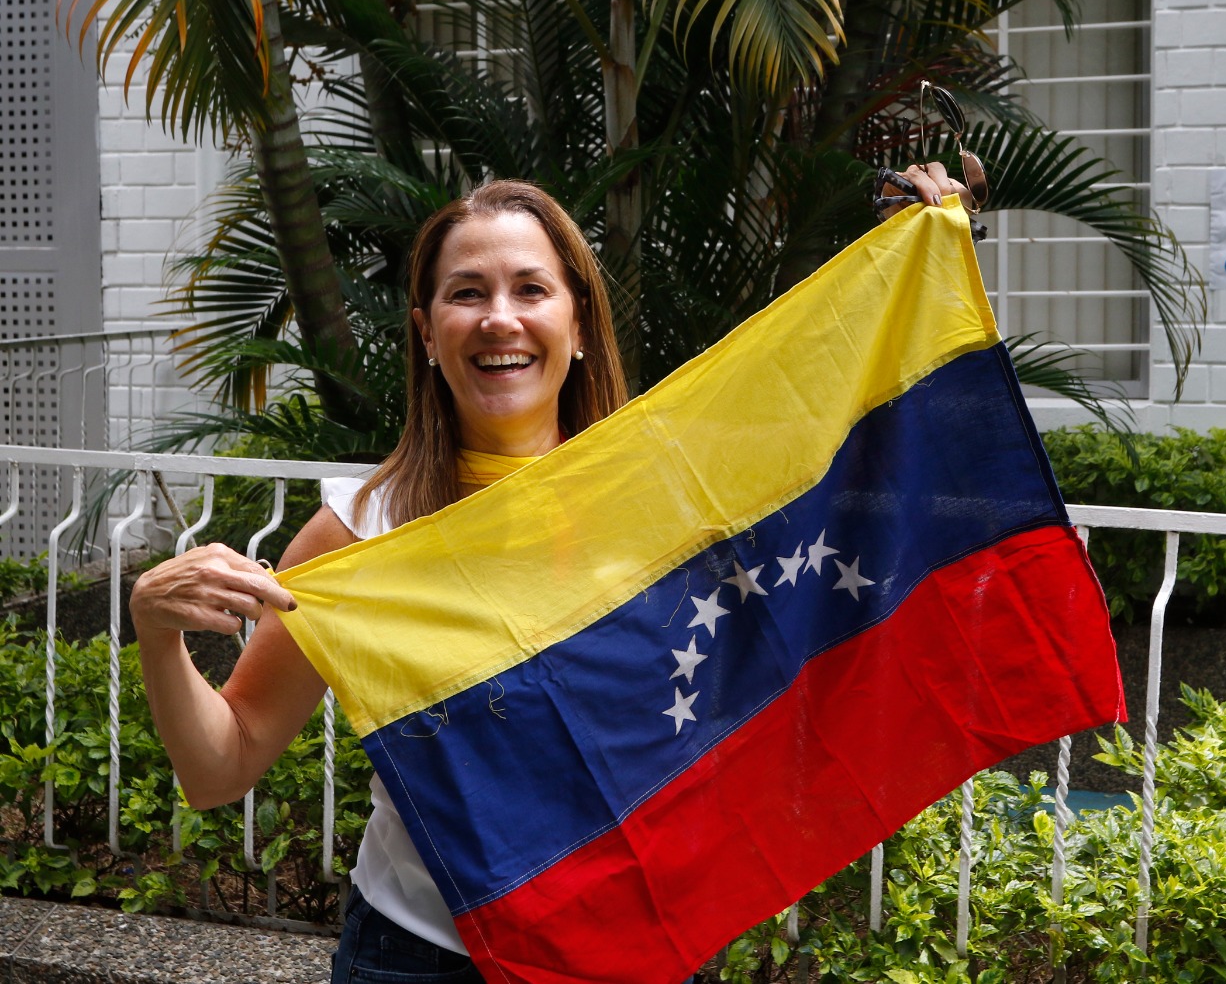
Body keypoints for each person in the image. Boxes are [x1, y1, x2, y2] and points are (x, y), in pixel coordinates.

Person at [130, 169, 968, 981]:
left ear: (578, 324)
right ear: (426, 332)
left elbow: (848, 433)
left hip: (641, 949)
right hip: (422, 956)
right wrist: (155, 627)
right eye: (467, 293)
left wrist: (920, 254)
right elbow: (222, 767)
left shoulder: (670, 501)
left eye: (531, 290)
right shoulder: (362, 531)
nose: (500, 319)